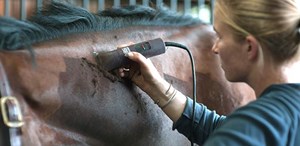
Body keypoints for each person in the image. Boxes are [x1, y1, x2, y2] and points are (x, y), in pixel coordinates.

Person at [118, 0, 300, 145]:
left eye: (220, 36)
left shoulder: (253, 127)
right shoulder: (279, 117)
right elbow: (221, 129)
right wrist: (158, 88)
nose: (215, 48)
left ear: (250, 47)